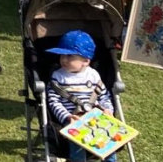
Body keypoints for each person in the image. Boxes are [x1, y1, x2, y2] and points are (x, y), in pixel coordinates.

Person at [46, 30, 116, 162]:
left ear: (86, 60)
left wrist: (108, 110)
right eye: (62, 55)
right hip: (74, 119)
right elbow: (54, 101)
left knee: (109, 141)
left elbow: (103, 96)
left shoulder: (94, 75)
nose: (64, 59)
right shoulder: (58, 76)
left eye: (70, 56)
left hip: (96, 118)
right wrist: (67, 117)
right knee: (76, 143)